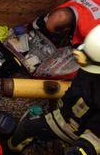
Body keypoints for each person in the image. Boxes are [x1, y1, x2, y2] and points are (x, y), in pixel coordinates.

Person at [7, 25, 100, 155]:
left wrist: (80, 151)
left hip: (76, 128)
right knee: (25, 128)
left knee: (27, 128)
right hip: (65, 114)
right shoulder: (92, 63)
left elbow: (95, 138)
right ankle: (11, 149)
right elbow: (78, 84)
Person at [22, 0, 100, 48]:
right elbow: (44, 20)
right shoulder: (62, 9)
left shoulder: (87, 30)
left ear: (66, 28)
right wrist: (29, 27)